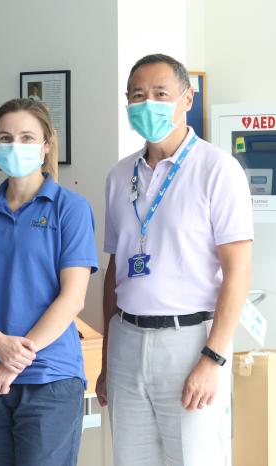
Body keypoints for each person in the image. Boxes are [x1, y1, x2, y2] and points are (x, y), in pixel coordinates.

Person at [96, 54, 253, 466]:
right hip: (127, 340)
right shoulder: (119, 176)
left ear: (187, 99)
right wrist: (108, 359)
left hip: (190, 342)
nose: (147, 103)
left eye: (160, 94)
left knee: (194, 458)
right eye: (137, 96)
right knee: (130, 459)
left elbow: (238, 271)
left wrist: (212, 358)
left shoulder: (217, 169)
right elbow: (115, 270)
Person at [0, 98, 97, 466]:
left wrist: (13, 361)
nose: (15, 145)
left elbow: (73, 298)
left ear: (46, 145)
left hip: (49, 378)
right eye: (5, 138)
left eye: (27, 137)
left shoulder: (70, 208)